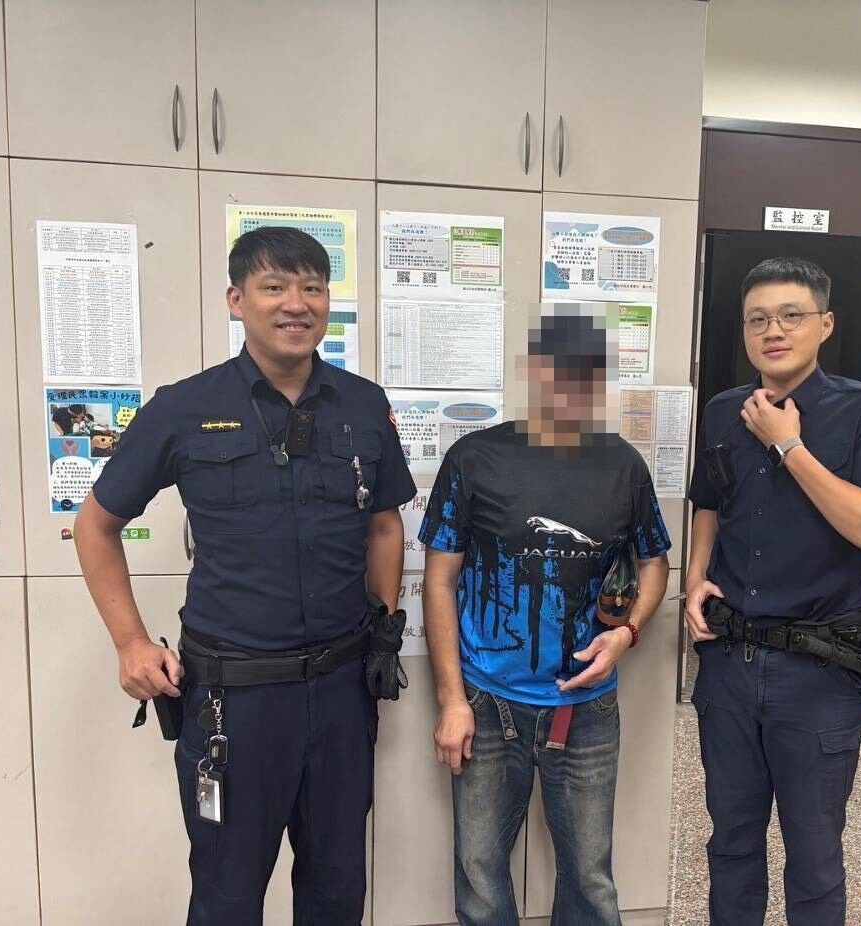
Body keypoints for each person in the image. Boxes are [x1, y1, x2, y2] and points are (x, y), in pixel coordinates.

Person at [74, 226, 415, 924]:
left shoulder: (362, 404)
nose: (297, 303)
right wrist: (130, 643)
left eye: (312, 287)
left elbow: (384, 524)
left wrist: (383, 627)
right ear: (237, 300)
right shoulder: (185, 408)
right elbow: (95, 525)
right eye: (274, 286)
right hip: (234, 700)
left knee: (337, 892)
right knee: (227, 897)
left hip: (342, 693)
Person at [420, 306, 671, 926]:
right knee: (480, 876)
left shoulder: (623, 466)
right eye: (556, 369)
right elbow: (439, 582)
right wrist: (451, 701)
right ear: (532, 371)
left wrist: (628, 633)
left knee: (590, 879)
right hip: (487, 702)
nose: (568, 385)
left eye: (585, 373)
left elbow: (655, 564)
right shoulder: (474, 458)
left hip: (586, 707)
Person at [685, 257, 861, 926]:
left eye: (791, 316)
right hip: (729, 663)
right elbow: (708, 503)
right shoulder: (722, 411)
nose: (773, 331)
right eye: (758, 319)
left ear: (825, 324)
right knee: (730, 842)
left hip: (818, 672)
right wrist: (695, 577)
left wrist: (790, 447)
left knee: (813, 856)